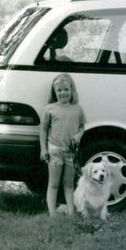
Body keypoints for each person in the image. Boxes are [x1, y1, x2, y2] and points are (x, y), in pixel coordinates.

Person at [39, 73, 85, 216]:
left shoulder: (78, 109)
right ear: (55, 92)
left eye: (66, 89)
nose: (63, 93)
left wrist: (78, 135)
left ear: (72, 90)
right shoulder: (49, 109)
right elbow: (43, 129)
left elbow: (82, 127)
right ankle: (52, 213)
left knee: (69, 184)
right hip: (55, 150)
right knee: (53, 183)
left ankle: (71, 212)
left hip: (70, 151)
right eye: (59, 90)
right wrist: (43, 149)